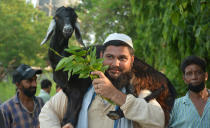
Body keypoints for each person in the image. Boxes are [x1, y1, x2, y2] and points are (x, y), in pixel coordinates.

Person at [39, 33, 165, 128]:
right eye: (110, 57)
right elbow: (48, 111)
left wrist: (115, 94)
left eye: (122, 58)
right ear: (101, 57)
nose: (115, 64)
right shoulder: (82, 91)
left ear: (131, 61)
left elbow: (158, 121)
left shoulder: (139, 93)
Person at [168, 56, 210, 128]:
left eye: (198, 72)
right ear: (184, 79)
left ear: (205, 76)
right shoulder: (174, 107)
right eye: (189, 74)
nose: (194, 77)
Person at [0, 64, 44, 128]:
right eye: (29, 81)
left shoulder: (40, 102)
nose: (35, 84)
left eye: (35, 80)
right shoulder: (6, 109)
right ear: (18, 85)